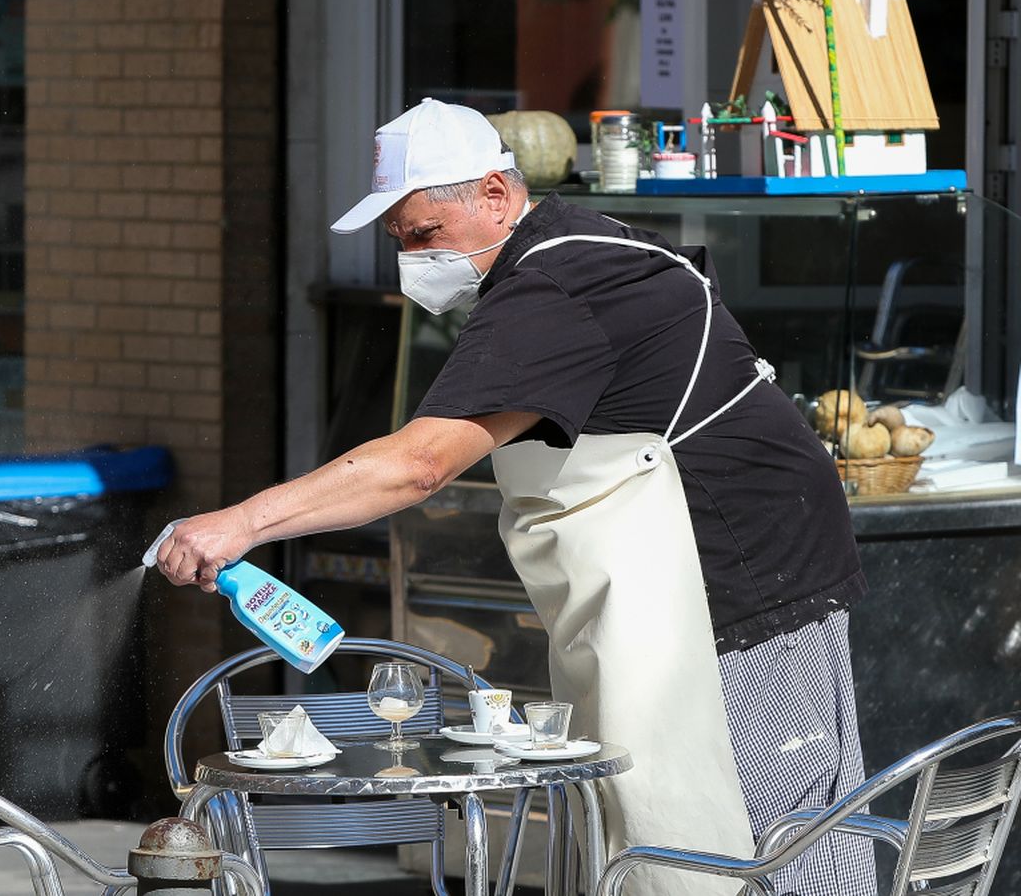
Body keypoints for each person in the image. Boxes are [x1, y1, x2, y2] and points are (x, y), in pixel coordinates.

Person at [152, 99, 874, 896]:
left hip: (746, 572)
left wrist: (242, 523)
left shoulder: (557, 284)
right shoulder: (563, 255)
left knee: (770, 832)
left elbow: (421, 464)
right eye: (400, 241)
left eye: (426, 234)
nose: (414, 259)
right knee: (657, 816)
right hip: (684, 573)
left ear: (496, 195)